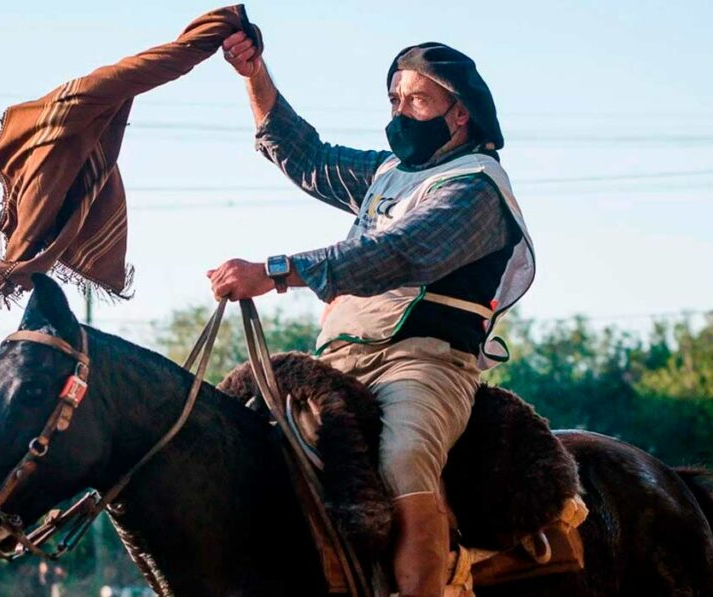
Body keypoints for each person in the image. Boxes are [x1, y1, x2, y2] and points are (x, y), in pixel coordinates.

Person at [207, 30, 535, 597]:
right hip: (336, 363)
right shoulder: (387, 173)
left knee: (403, 458)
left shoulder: (477, 188)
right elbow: (305, 156)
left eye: (416, 100)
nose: (400, 111)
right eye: (395, 99)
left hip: (423, 366)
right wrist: (253, 73)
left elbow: (399, 251)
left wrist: (275, 270)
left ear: (459, 115)